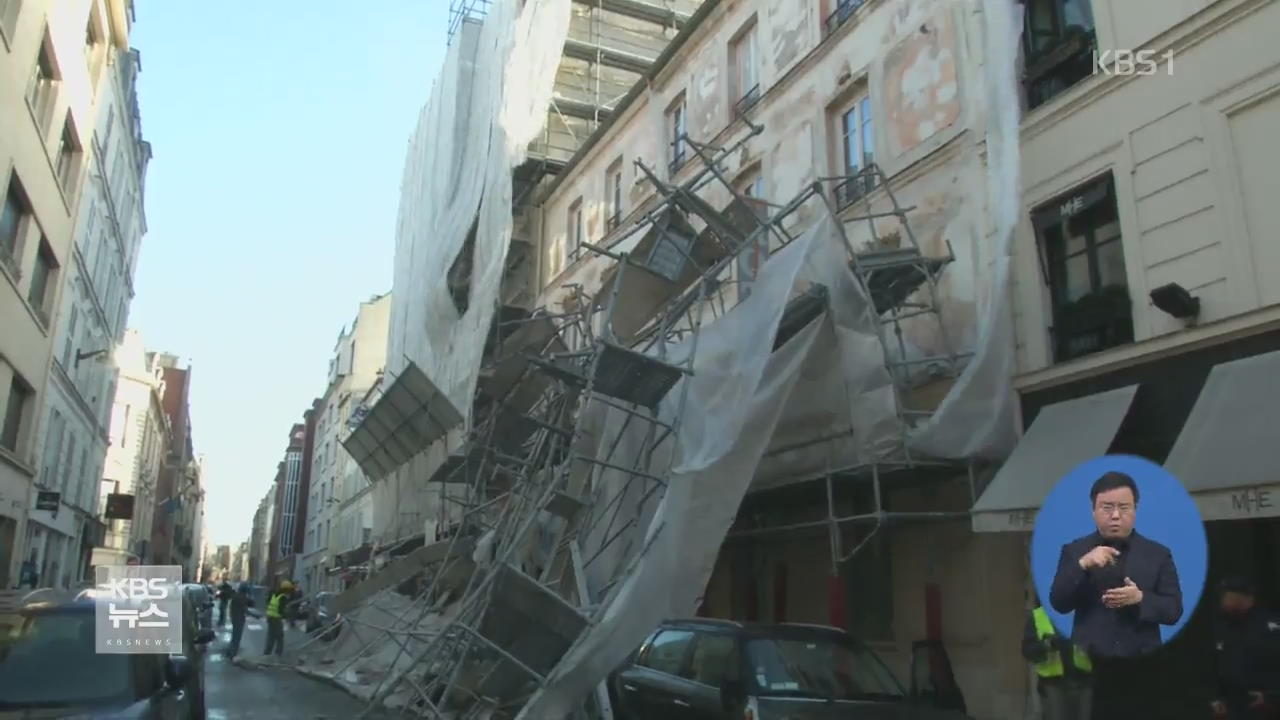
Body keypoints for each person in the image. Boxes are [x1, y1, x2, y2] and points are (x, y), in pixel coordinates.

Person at [1048, 471, 1182, 659]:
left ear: (1135, 509)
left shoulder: (1158, 554)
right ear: (1093, 511)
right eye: (1107, 508)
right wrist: (1083, 564)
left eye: (1124, 507)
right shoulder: (1074, 551)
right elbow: (1059, 603)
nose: (1116, 515)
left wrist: (1140, 598)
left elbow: (1173, 610)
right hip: (1090, 662)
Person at [1210, 577, 1280, 719]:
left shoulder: (1272, 626)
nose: (1223, 600)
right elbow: (1218, 666)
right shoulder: (1223, 627)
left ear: (1246, 598)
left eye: (1227, 595)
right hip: (1236, 709)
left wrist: (1272, 697)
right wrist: (1217, 699)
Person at [1022, 604, 1092, 720]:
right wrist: (1045, 645)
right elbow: (1028, 650)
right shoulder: (1039, 615)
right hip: (1054, 685)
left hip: (1085, 682)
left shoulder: (1087, 613)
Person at [264, 580, 293, 656]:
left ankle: (267, 653)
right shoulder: (283, 597)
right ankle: (278, 654)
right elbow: (281, 611)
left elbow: (268, 603)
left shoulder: (275, 595)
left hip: (270, 618)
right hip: (276, 619)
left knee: (271, 636)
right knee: (279, 637)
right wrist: (287, 615)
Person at [225, 582, 253, 659]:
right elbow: (245, 610)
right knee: (237, 637)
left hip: (234, 618)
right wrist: (255, 615)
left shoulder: (235, 596)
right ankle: (233, 654)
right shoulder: (242, 597)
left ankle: (230, 651)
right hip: (239, 619)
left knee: (234, 636)